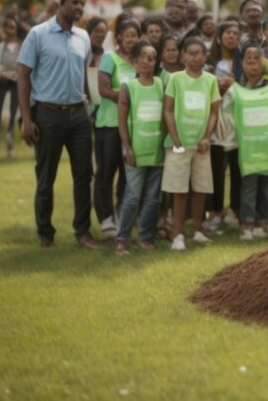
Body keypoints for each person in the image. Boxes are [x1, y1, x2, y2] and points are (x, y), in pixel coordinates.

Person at [17, 0, 102, 249]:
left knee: (84, 175)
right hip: (47, 116)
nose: (78, 8)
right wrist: (27, 119)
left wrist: (89, 104)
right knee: (46, 177)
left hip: (78, 116)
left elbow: (83, 73)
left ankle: (83, 233)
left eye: (82, 4)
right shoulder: (38, 34)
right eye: (74, 2)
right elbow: (22, 75)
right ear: (62, 3)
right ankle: (46, 234)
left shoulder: (83, 37)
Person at [162, 37, 221, 251]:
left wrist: (207, 137)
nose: (196, 57)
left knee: (201, 188)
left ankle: (198, 230)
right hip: (179, 144)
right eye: (191, 53)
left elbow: (214, 112)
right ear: (183, 56)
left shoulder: (210, 80)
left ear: (206, 56)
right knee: (179, 190)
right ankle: (177, 234)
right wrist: (176, 138)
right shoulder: (175, 79)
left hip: (201, 145)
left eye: (200, 53)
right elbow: (168, 110)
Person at [222, 44, 268, 241]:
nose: (252, 65)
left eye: (255, 60)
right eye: (248, 61)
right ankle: (247, 222)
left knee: (266, 186)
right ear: (243, 65)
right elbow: (227, 114)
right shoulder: (236, 90)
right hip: (247, 149)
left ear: (262, 63)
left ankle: (262, 222)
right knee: (248, 187)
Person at [115, 40, 166, 254]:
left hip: (158, 152)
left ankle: (145, 236)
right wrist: (127, 147)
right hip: (136, 151)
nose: (148, 61)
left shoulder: (162, 85)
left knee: (153, 197)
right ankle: (123, 239)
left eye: (152, 57)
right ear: (134, 62)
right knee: (133, 196)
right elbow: (122, 121)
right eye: (144, 57)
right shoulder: (129, 88)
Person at [94, 18, 141, 237]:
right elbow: (103, 89)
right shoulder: (109, 58)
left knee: (126, 174)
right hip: (109, 125)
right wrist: (126, 99)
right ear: (119, 37)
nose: (131, 39)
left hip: (132, 126)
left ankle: (122, 215)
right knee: (106, 173)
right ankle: (105, 218)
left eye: (135, 35)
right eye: (127, 35)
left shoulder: (139, 62)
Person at [205, 20, 242, 232]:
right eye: (228, 33)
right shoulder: (210, 64)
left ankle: (235, 209)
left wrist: (234, 84)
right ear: (219, 37)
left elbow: (247, 89)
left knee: (237, 170)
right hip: (215, 123)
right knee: (216, 171)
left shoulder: (243, 61)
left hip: (237, 123)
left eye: (236, 33)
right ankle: (215, 211)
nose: (231, 37)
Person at [0, 14, 23, 160]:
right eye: (7, 26)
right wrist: (11, 74)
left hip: (17, 84)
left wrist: (13, 74)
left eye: (12, 27)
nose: (10, 29)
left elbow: (22, 67)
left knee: (13, 115)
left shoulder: (22, 46)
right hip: (0, 83)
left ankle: (10, 147)